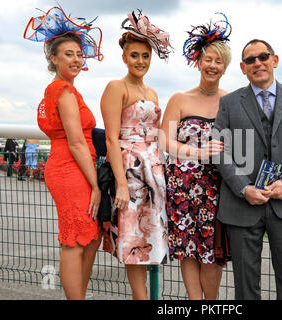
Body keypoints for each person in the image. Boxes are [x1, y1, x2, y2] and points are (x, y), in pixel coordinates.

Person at [213, 39, 282, 300]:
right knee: (245, 285)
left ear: (275, 60)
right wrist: (242, 188)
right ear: (242, 67)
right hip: (242, 205)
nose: (257, 63)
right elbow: (219, 149)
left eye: (263, 56)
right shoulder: (229, 103)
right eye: (250, 60)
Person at [24, 5, 104, 300]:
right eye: (68, 54)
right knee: (75, 240)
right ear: (53, 58)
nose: (76, 59)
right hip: (72, 168)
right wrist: (95, 184)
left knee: (88, 236)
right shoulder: (64, 92)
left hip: (70, 166)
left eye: (79, 55)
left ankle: (78, 294)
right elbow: (76, 142)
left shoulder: (58, 90)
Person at [100, 10, 171, 300]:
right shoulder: (116, 88)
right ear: (124, 57)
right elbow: (110, 137)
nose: (140, 61)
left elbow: (157, 132)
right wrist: (120, 184)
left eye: (145, 56)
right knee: (133, 238)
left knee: (151, 235)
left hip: (153, 170)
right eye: (134, 55)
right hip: (129, 170)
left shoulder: (152, 92)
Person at [160, 13, 231, 300]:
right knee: (187, 247)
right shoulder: (179, 99)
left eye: (218, 61)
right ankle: (193, 301)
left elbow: (240, 144)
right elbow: (164, 139)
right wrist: (196, 152)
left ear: (225, 66)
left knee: (212, 250)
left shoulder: (231, 100)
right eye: (208, 59)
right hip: (182, 185)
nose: (212, 65)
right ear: (198, 62)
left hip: (216, 185)